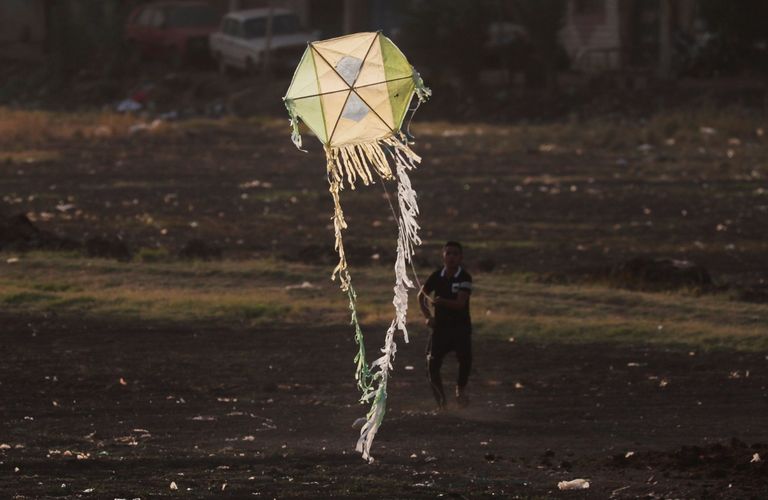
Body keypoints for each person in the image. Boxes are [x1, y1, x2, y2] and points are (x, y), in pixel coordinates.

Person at [418, 241, 473, 409]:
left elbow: (460, 304)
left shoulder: (465, 277)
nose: (451, 257)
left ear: (461, 257)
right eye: (448, 253)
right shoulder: (436, 276)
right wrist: (428, 317)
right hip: (440, 329)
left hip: (460, 328)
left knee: (465, 360)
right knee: (431, 367)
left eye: (455, 254)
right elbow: (421, 297)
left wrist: (441, 301)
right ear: (443, 256)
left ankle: (460, 389)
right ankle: (442, 403)